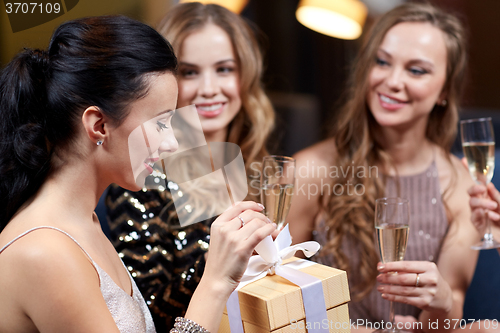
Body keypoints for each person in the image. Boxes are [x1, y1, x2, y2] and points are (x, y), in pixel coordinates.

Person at [0, 15, 276, 333]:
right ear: (99, 126)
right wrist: (214, 282)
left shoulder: (83, 221)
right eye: (160, 123)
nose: (172, 143)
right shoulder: (44, 252)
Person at [287, 3, 481, 332]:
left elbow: (444, 323)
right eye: (382, 62)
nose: (392, 81)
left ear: (445, 91)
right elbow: (270, 291)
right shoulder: (309, 170)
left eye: (416, 70)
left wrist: (443, 300)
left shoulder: (460, 184)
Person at [105, 3, 275, 330]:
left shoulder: (261, 165)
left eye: (224, 69)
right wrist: (213, 265)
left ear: (246, 74)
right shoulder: (140, 180)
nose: (209, 89)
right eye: (190, 72)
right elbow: (146, 316)